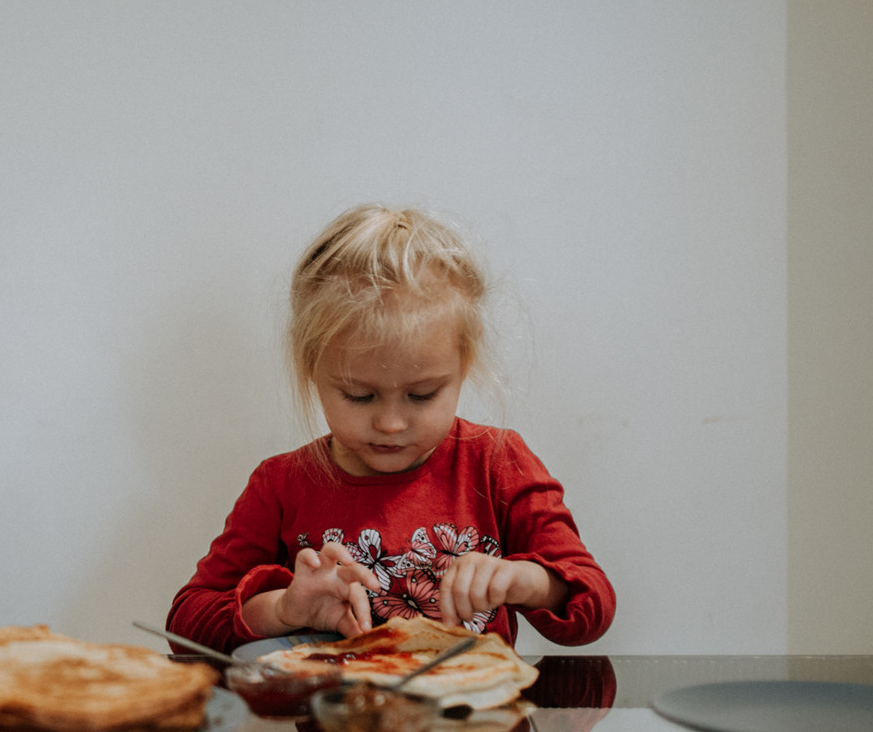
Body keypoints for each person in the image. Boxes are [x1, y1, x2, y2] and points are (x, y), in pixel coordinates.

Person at [168, 204, 613, 652]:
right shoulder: (282, 485)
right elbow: (185, 625)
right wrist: (284, 609)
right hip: (334, 720)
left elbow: (593, 606)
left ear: (464, 365)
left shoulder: (497, 461)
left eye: (422, 395)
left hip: (479, 719)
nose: (391, 423)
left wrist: (524, 581)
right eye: (359, 396)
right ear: (311, 370)